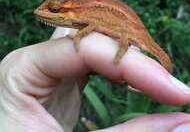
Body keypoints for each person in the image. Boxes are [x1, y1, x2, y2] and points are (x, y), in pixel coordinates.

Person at [0, 27, 190, 132]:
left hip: (129, 28)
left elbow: (90, 26)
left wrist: (80, 37)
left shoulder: (83, 14)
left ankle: (122, 54)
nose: (47, 14)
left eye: (55, 10)